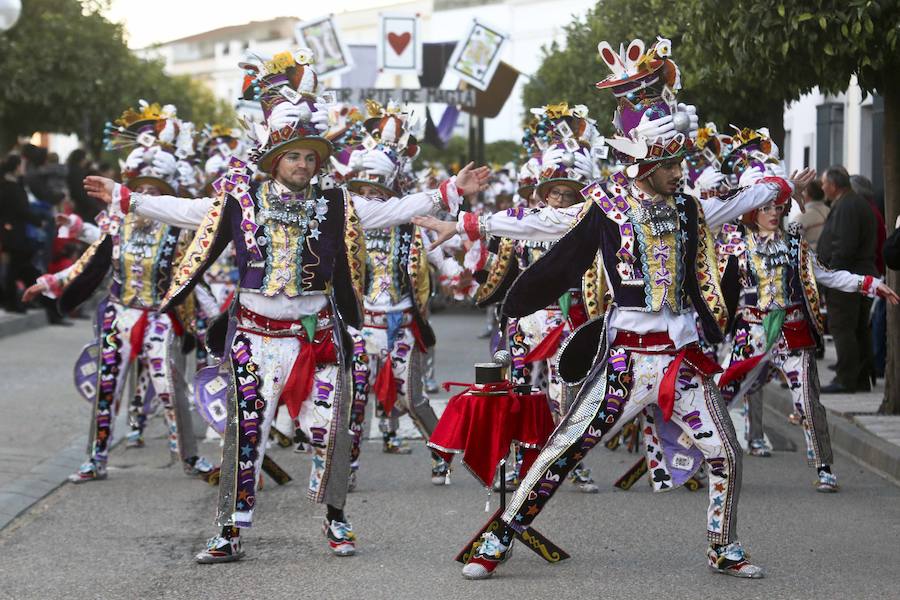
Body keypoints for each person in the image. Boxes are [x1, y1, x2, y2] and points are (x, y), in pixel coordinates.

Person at [417, 37, 815, 580]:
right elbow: (546, 222)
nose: (680, 169)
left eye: (680, 159)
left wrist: (779, 180)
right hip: (624, 364)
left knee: (725, 453)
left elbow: (749, 197)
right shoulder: (607, 208)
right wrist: (467, 223)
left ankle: (723, 546)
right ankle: (498, 539)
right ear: (646, 162)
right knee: (563, 453)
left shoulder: (693, 209)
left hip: (681, 363)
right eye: (670, 161)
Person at [84, 49, 489, 563]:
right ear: (275, 159)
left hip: (313, 338)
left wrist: (451, 190)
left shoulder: (336, 202)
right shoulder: (241, 200)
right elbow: (188, 212)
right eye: (293, 156)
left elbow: (393, 210)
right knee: (246, 432)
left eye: (310, 157)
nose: (302, 164)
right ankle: (229, 529)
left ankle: (336, 519)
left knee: (329, 429)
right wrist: (127, 197)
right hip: (252, 338)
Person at [23, 102, 215, 483]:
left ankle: (190, 458)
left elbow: (193, 273)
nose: (145, 196)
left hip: (160, 318)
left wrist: (210, 321)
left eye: (153, 191)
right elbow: (89, 263)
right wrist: (48, 282)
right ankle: (95, 460)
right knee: (106, 390)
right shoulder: (117, 225)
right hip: (119, 316)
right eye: (139, 189)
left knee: (171, 390)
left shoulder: (179, 231)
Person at [716, 196, 898, 492]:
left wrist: (870, 284)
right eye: (765, 208)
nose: (773, 213)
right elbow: (720, 293)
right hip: (752, 337)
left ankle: (824, 468)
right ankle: (705, 458)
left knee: (807, 402)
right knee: (721, 394)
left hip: (793, 334)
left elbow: (828, 275)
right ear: (751, 213)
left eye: (777, 207)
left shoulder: (795, 246)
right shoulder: (736, 247)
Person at [817, 166, 879, 393]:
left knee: (843, 327)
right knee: (856, 328)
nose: (822, 187)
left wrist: (832, 277)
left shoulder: (848, 206)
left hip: (846, 279)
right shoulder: (851, 203)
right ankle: (860, 377)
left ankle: (847, 379)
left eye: (824, 183)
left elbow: (844, 246)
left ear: (833, 185)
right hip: (855, 275)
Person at [789, 180, 829, 252]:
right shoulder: (831, 211)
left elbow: (791, 244)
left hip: (810, 259)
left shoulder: (800, 218)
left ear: (806, 195)